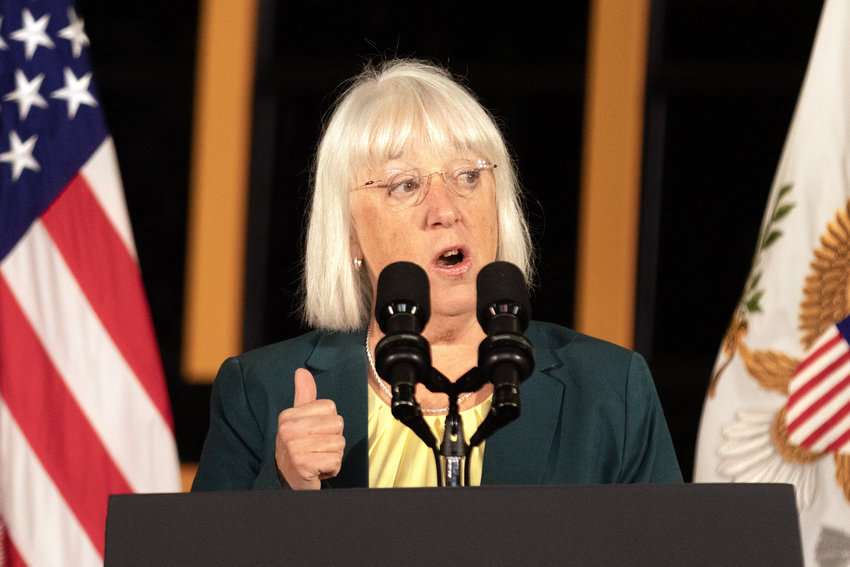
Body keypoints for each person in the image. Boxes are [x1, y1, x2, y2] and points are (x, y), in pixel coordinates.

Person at [191, 58, 682, 491]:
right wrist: (284, 487)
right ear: (350, 236)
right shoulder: (260, 393)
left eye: (467, 176)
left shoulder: (609, 392)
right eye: (405, 185)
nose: (445, 210)